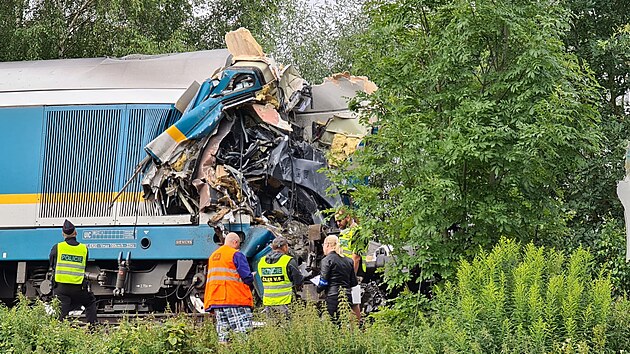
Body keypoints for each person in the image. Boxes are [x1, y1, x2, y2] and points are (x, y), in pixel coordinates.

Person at [204, 232, 254, 344]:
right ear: (235, 242)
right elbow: (247, 277)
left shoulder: (214, 256)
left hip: (216, 300)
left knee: (223, 336)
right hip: (234, 299)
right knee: (242, 334)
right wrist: (252, 277)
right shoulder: (235, 254)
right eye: (239, 244)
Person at [49, 219, 97, 325]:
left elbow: (52, 264)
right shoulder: (84, 249)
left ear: (63, 234)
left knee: (61, 312)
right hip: (78, 288)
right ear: (76, 232)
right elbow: (84, 266)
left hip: (61, 289)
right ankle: (93, 328)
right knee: (90, 302)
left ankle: (57, 331)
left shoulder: (57, 247)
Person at [257, 236, 304, 319]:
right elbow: (298, 280)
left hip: (269, 301)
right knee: (288, 327)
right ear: (285, 247)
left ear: (272, 247)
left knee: (273, 328)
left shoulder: (261, 261)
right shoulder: (288, 260)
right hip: (286, 301)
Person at [317, 235, 360, 323]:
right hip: (347, 297)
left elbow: (323, 282)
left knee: (332, 324)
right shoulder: (349, 261)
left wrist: (318, 289)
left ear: (328, 245)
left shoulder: (326, 260)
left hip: (333, 297)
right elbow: (354, 282)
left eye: (323, 245)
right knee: (344, 324)